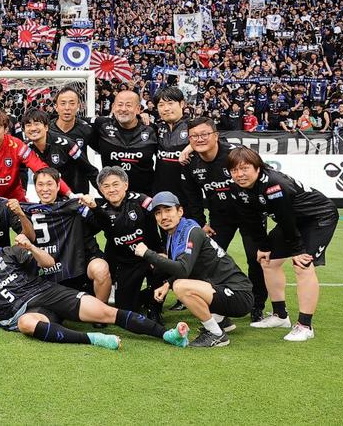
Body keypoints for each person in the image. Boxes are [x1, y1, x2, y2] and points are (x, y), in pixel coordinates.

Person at [0, 226, 188, 350]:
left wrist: (30, 245)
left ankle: (168, 335)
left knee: (106, 311)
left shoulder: (10, 252)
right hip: (26, 311)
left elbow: (48, 263)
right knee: (26, 324)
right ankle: (94, 338)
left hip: (47, 292)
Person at [228, 147, 339, 341]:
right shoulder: (237, 189)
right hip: (293, 221)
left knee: (302, 265)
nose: (239, 174)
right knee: (268, 261)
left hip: (319, 218)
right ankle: (280, 316)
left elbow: (286, 218)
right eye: (234, 170)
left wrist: (297, 250)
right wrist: (264, 246)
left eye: (244, 168)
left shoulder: (274, 184)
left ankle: (305, 326)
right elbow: (251, 220)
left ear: (257, 167)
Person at [137, 192, 254, 348]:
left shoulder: (191, 231)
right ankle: (221, 321)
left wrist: (147, 253)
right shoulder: (178, 232)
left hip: (238, 295)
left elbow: (183, 269)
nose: (163, 216)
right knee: (178, 283)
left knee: (181, 286)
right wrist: (166, 284)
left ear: (180, 211)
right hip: (225, 290)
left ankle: (216, 334)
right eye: (158, 213)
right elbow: (190, 267)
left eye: (168, 210)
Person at [181, 117, 268, 320]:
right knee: (208, 259)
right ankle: (217, 303)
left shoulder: (234, 154)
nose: (200, 139)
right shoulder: (189, 162)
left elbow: (259, 176)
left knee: (255, 260)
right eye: (194, 136)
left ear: (216, 136)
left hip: (250, 215)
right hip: (220, 218)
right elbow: (191, 197)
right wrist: (200, 223)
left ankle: (257, 306)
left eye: (204, 135)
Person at [79, 167, 161, 319]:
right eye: (106, 186)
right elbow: (88, 231)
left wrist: (160, 252)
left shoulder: (142, 201)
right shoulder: (98, 208)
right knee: (125, 307)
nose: (111, 189)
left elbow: (161, 224)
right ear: (101, 190)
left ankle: (154, 308)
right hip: (124, 263)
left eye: (116, 184)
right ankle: (142, 298)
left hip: (148, 256)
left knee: (163, 265)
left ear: (126, 185)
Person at [21, 168, 110, 305]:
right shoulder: (27, 212)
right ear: (35, 187)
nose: (45, 189)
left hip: (80, 264)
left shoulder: (75, 205)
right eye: (40, 184)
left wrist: (94, 207)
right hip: (50, 269)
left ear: (58, 186)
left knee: (100, 268)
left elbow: (103, 223)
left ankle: (102, 312)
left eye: (49, 184)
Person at [0, 111, 73, 203]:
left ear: (6, 129)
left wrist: (70, 194)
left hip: (15, 201)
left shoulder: (17, 145)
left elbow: (41, 168)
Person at [87, 90, 157, 195]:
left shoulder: (151, 129)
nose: (123, 109)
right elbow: (74, 121)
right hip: (112, 196)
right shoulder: (101, 125)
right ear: (114, 107)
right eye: (120, 105)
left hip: (144, 198)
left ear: (138, 109)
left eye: (128, 105)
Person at [21, 109, 99, 194]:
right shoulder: (25, 149)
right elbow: (20, 170)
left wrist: (107, 198)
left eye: (37, 124)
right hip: (49, 198)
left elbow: (90, 170)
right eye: (28, 125)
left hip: (75, 197)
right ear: (24, 130)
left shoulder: (66, 144)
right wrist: (23, 192)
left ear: (46, 127)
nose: (33, 128)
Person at [153, 87, 191, 201]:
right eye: (161, 105)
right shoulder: (155, 129)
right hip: (160, 193)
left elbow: (215, 141)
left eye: (170, 103)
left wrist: (191, 147)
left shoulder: (194, 126)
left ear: (182, 104)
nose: (166, 108)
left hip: (188, 193)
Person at [51, 85, 92, 150]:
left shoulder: (86, 129)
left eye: (72, 103)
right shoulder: (47, 129)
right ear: (56, 107)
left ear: (78, 106)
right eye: (63, 103)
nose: (67, 108)